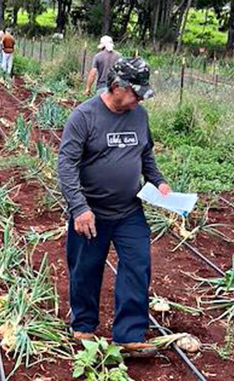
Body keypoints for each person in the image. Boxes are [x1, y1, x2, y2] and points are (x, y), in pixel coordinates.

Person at [58, 57, 169, 357]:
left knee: (137, 266)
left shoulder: (139, 116)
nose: (138, 100)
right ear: (117, 87)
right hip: (91, 211)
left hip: (129, 211)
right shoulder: (84, 116)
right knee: (86, 269)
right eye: (135, 94)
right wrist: (79, 207)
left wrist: (158, 182)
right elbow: (66, 165)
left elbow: (146, 154)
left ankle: (129, 335)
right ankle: (83, 325)